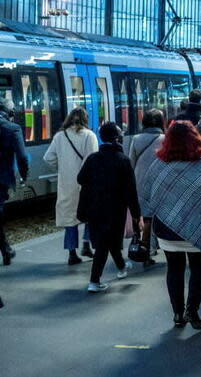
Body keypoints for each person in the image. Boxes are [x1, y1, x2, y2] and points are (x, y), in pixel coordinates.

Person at [141, 121, 201, 330]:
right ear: (195, 139)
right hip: (198, 228)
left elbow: (147, 194)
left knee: (174, 269)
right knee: (200, 269)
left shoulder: (158, 165)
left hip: (166, 229)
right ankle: (193, 311)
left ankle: (177, 314)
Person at [77, 123, 140, 293]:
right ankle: (94, 281)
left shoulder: (93, 159)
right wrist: (136, 215)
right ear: (116, 138)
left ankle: (121, 267)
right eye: (120, 134)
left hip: (94, 209)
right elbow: (131, 191)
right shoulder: (123, 161)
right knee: (104, 245)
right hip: (115, 210)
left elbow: (80, 179)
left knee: (108, 241)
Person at [44, 108, 99, 265]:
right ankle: (87, 244)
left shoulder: (60, 136)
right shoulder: (90, 136)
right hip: (87, 183)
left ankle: (71, 253)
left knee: (70, 219)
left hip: (67, 184)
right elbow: (93, 160)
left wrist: (61, 168)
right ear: (85, 120)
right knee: (90, 214)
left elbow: (48, 158)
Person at [129, 109, 166, 267]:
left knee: (143, 216)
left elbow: (131, 161)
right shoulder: (164, 139)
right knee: (154, 217)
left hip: (139, 182)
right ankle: (150, 248)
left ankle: (142, 247)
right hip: (159, 183)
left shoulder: (136, 139)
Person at [0, 98, 28, 266]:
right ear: (10, 113)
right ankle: (5, 249)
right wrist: (24, 176)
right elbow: (22, 158)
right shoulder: (12, 129)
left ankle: (5, 249)